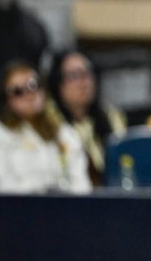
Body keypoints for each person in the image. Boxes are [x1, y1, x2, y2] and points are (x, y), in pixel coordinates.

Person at [0, 60, 91, 194]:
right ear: (4, 98)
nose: (29, 95)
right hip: (15, 210)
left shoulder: (61, 131)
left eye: (33, 85)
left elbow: (81, 184)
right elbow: (3, 186)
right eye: (17, 91)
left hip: (65, 209)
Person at [46, 50, 127, 186]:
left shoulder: (111, 116)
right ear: (58, 84)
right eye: (74, 75)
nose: (84, 81)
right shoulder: (49, 120)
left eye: (88, 73)